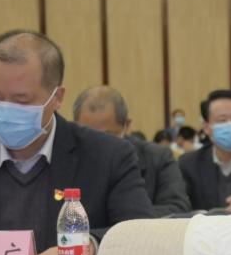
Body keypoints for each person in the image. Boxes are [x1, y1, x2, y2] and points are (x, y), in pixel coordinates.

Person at [0, 30, 154, 255]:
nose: (6, 109)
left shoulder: (107, 155)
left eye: (21, 100)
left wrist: (89, 246)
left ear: (57, 97)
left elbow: (142, 232)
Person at [72, 85, 190, 216]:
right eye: (88, 134)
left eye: (106, 136)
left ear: (126, 126)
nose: (97, 144)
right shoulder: (65, 158)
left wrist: (126, 218)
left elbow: (176, 207)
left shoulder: (157, 158)